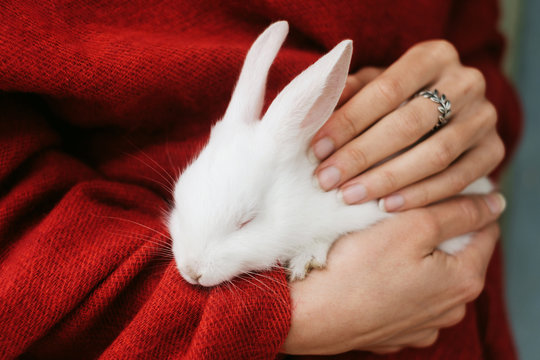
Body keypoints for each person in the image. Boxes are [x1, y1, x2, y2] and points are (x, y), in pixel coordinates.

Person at [0, 0, 521, 359]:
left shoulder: (320, 175)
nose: (191, 266)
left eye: (245, 220)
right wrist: (270, 319)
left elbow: (474, 46)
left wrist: (461, 105)